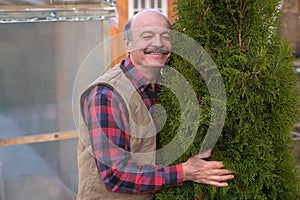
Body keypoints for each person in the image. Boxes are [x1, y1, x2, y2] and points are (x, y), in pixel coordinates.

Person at [76, 9, 234, 200]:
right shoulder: (108, 94)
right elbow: (115, 175)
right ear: (128, 43)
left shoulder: (165, 86)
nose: (158, 43)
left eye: (165, 36)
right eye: (147, 36)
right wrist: (185, 172)